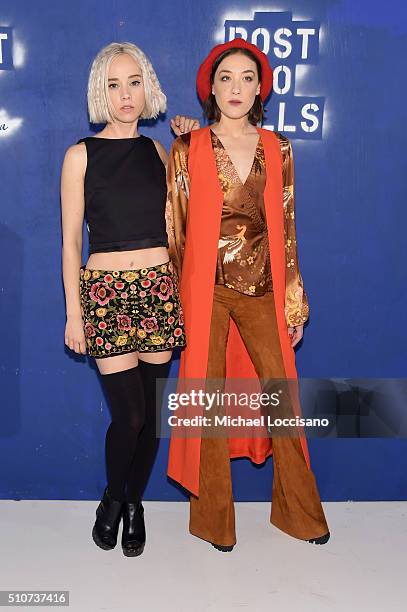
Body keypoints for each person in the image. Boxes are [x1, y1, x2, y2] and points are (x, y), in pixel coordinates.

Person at [165, 38, 330, 551]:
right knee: (209, 404)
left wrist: (293, 300)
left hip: (262, 289)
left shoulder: (278, 146)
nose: (235, 88)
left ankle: (299, 514)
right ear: (210, 88)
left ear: (261, 88)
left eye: (246, 78)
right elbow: (176, 232)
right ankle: (214, 522)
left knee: (283, 401)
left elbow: (287, 225)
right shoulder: (187, 148)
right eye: (225, 78)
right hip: (205, 292)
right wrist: (174, 307)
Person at [60, 41, 198, 557]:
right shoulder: (80, 155)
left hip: (159, 292)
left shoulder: (159, 152)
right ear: (101, 90)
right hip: (107, 294)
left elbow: (188, 209)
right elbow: (71, 241)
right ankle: (113, 500)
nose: (125, 94)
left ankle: (132, 503)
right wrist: (75, 313)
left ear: (148, 88)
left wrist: (190, 142)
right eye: (114, 84)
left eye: (134, 82)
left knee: (152, 418)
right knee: (131, 418)